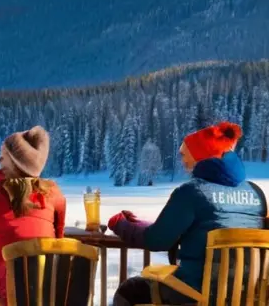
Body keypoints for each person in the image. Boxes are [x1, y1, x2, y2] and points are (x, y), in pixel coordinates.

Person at [109, 122, 267, 306]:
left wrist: (121, 225)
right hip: (248, 296)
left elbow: (156, 240)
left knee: (129, 291)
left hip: (196, 294)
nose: (182, 161)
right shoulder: (256, 193)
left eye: (185, 154)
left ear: (200, 155)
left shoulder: (192, 192)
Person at [0, 126, 66, 303]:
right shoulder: (55, 196)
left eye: (4, 154)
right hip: (42, 294)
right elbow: (57, 244)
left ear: (10, 161)